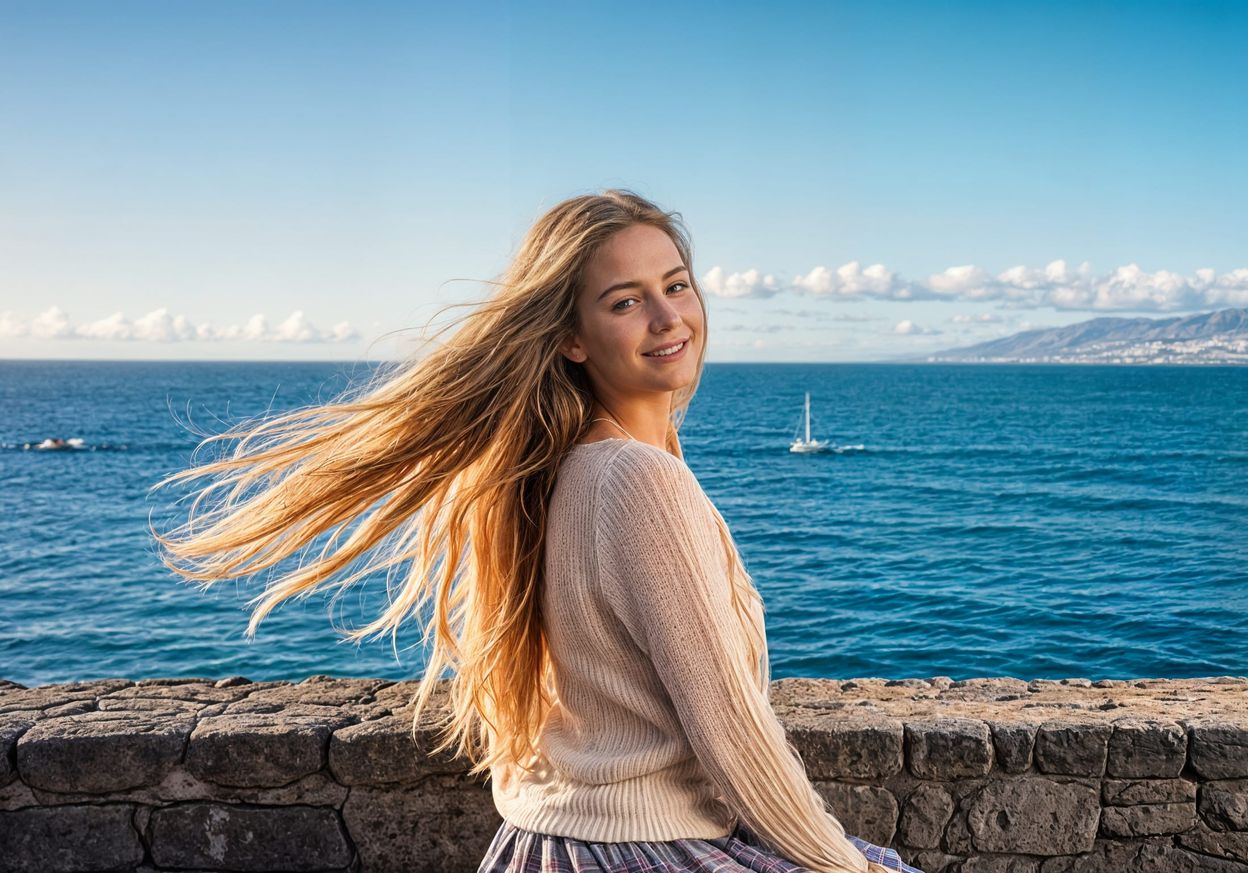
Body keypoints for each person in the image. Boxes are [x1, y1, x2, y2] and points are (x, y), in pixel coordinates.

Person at [150, 190, 913, 873]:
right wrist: (842, 864)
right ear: (572, 338)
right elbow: (733, 732)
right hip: (638, 850)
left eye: (676, 285)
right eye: (626, 301)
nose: (668, 315)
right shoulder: (636, 479)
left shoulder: (562, 466)